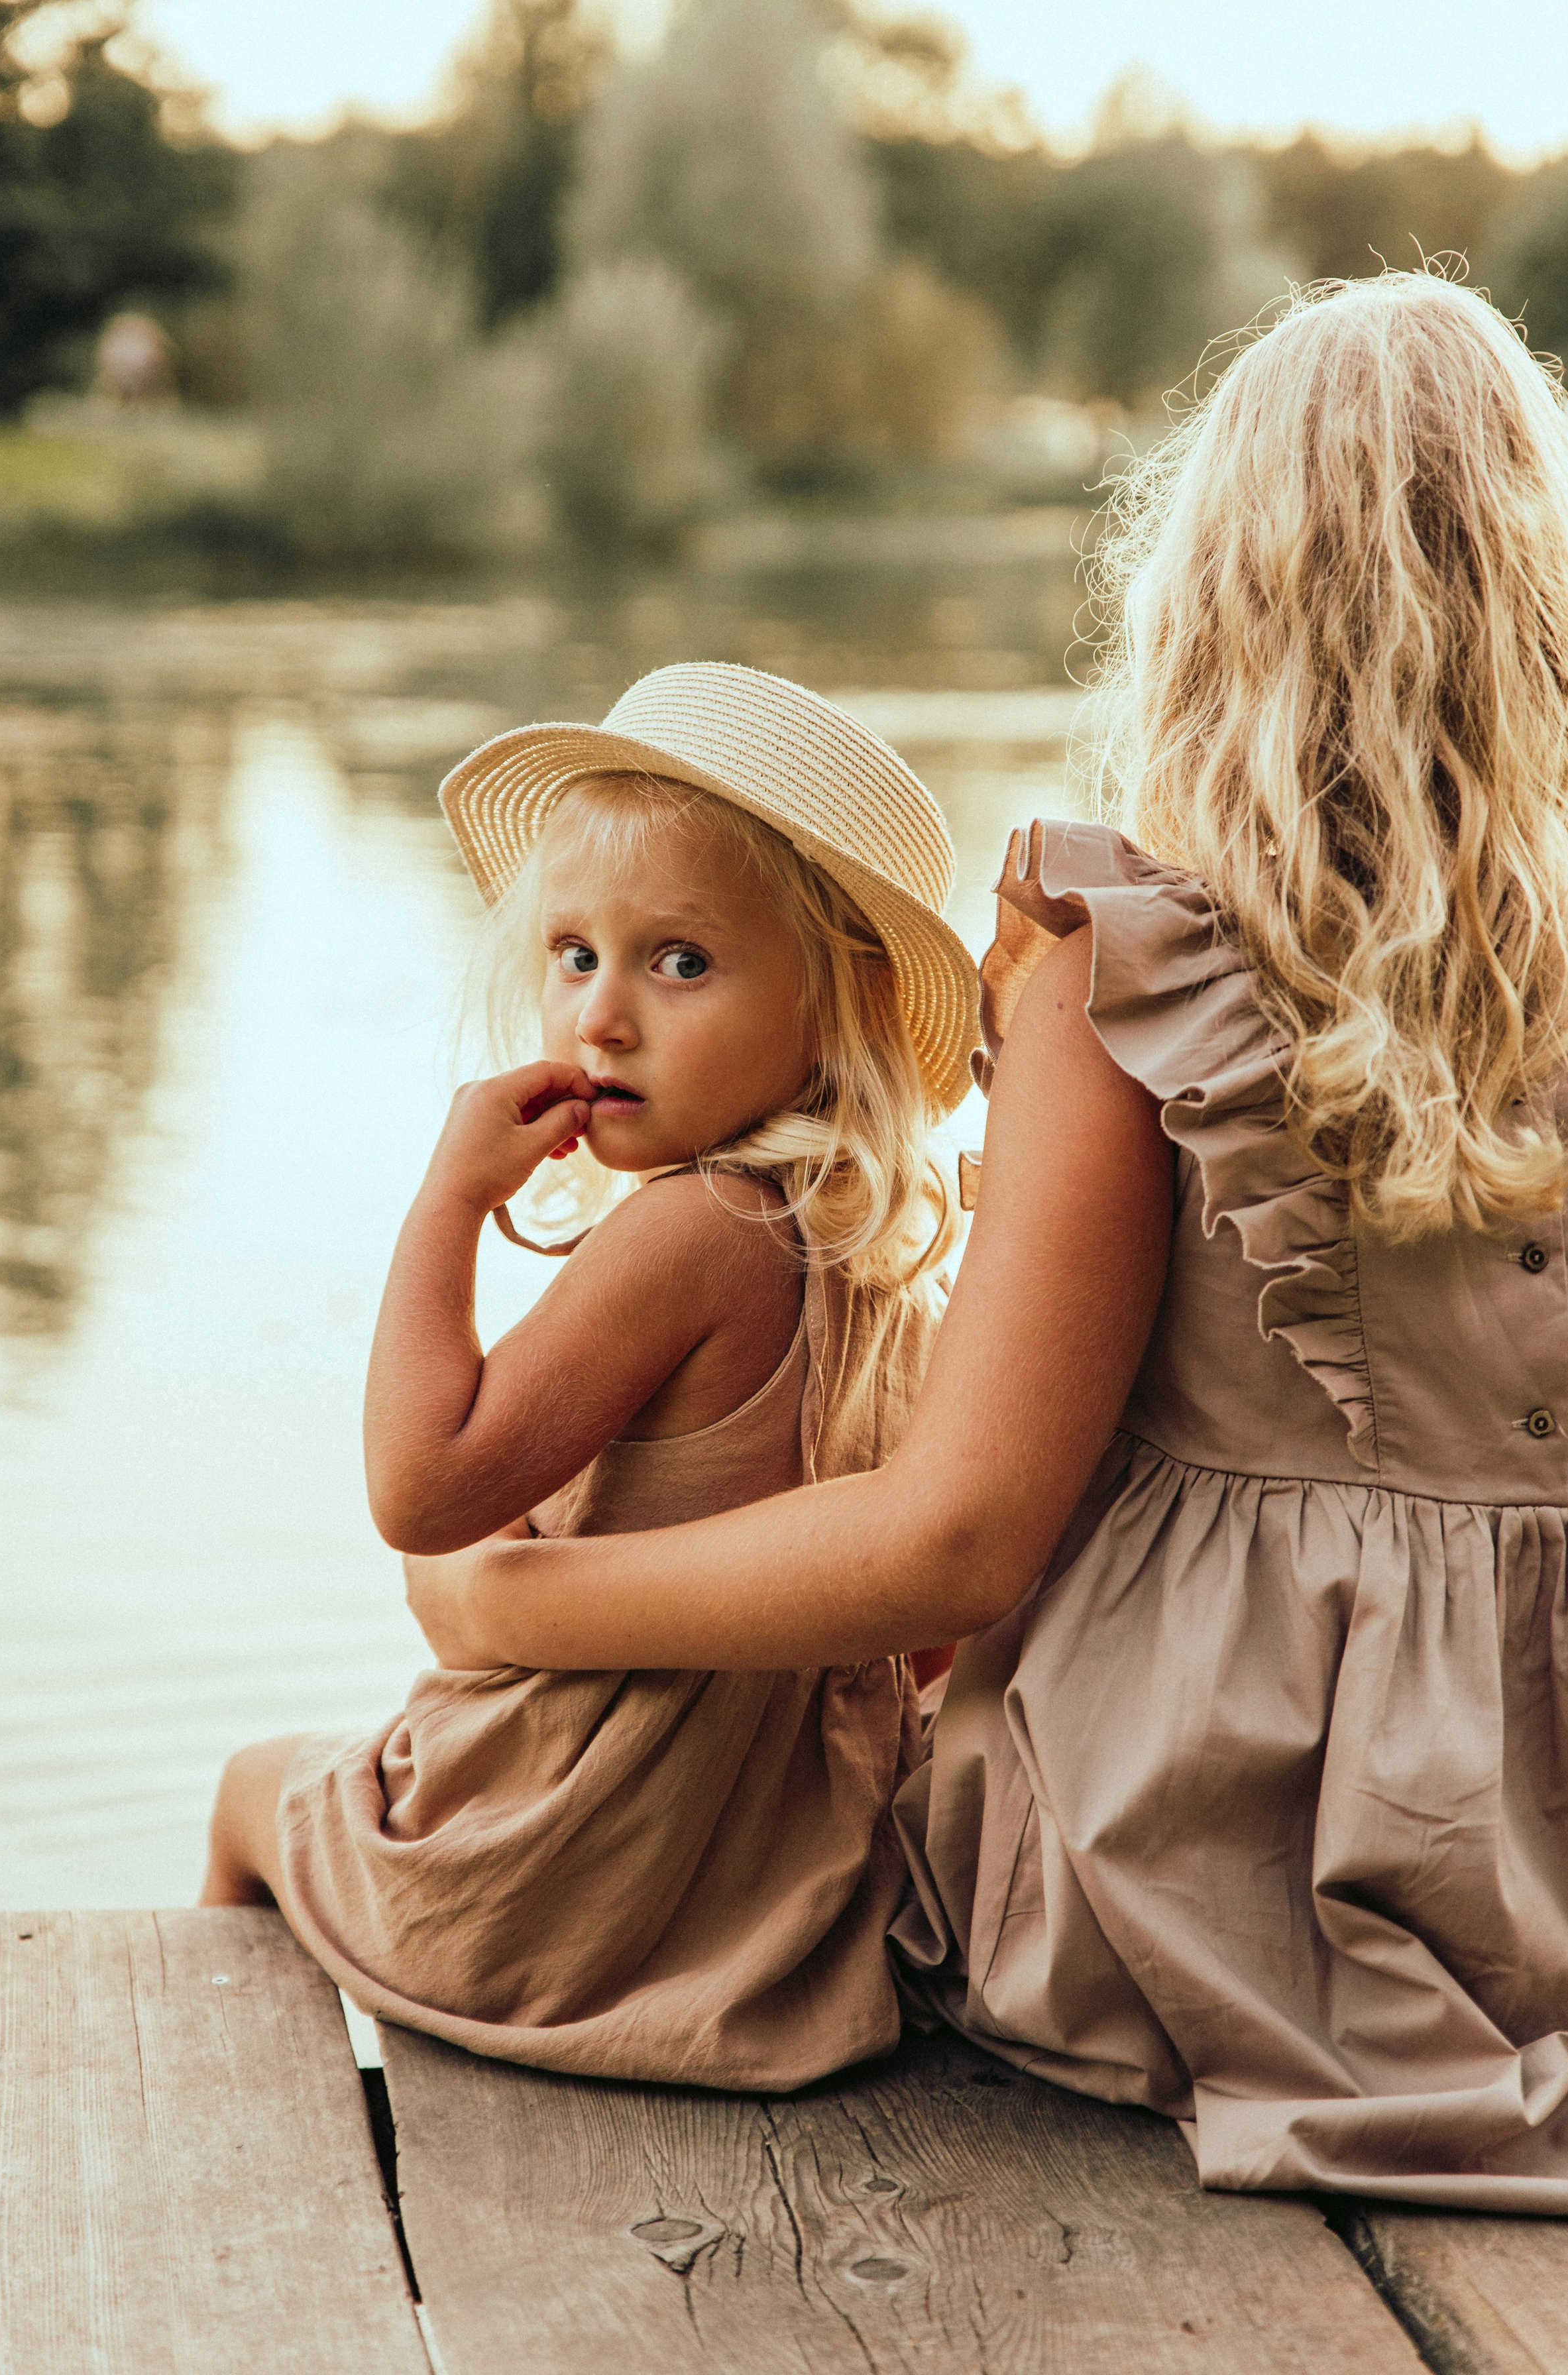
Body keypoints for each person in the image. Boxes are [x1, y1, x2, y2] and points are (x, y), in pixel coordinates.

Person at [410, 276, 1568, 2213]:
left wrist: (504, 1605)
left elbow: (958, 1537)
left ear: (1212, 602)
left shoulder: (1143, 976)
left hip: (1213, 1893)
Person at [201, 662, 979, 2090]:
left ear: (837, 1006)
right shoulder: (873, 1262)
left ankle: (216, 2100)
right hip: (776, 1891)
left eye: (677, 962)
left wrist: (443, 1200)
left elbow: (421, 1489)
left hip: (557, 1874)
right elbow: (916, 1647)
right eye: (573, 954)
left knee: (252, 1789)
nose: (600, 1019)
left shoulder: (692, 1232)